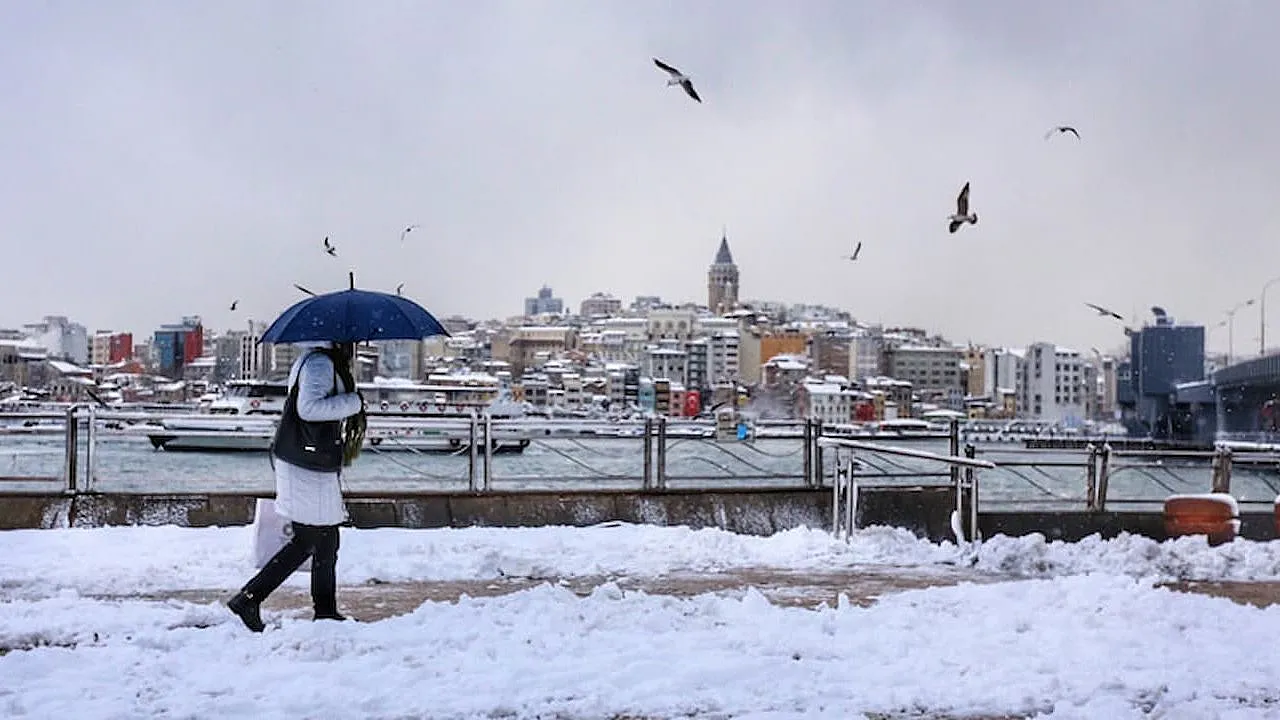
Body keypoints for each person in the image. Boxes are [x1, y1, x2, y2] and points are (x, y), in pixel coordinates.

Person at [227, 340, 365, 632]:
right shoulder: (320, 364)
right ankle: (249, 597)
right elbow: (309, 409)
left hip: (308, 462)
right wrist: (353, 402)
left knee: (324, 539)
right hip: (307, 465)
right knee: (311, 539)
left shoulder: (315, 359)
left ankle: (324, 611)